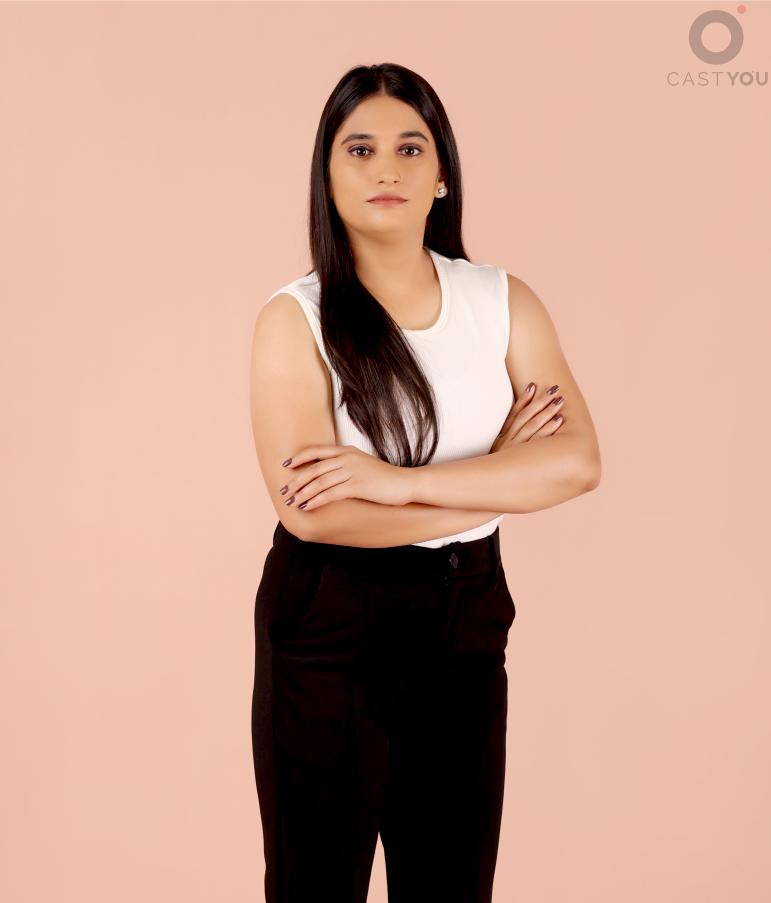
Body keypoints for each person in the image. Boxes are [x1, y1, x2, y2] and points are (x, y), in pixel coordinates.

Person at [248, 62, 601, 903]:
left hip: (465, 615)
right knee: (313, 886)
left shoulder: (501, 300)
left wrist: (391, 483)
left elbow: (577, 462)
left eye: (411, 148)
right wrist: (495, 479)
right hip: (331, 618)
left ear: (442, 173)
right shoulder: (294, 319)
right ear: (327, 175)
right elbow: (315, 518)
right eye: (359, 149)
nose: (387, 168)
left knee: (452, 886)